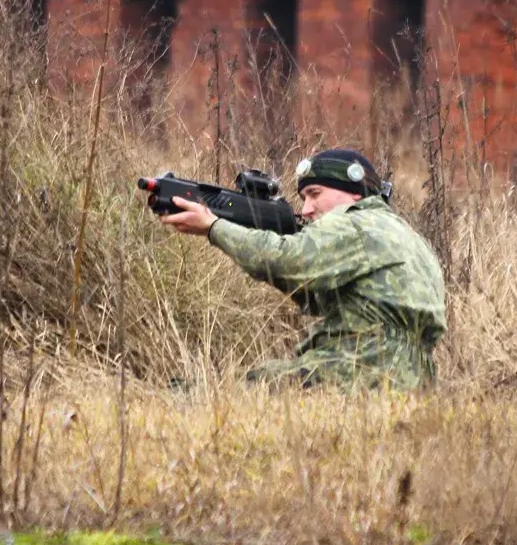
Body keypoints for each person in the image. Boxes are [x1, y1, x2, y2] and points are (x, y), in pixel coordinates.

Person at [158, 148, 446, 389]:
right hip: (412, 376)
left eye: (315, 193)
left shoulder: (354, 223)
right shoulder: (405, 235)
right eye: (304, 197)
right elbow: (313, 291)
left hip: (361, 366)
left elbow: (287, 260)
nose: (306, 209)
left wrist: (214, 228)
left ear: (354, 194)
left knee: (220, 392)